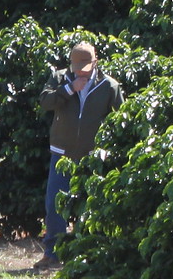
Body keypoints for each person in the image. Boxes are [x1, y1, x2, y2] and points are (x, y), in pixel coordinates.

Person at [36, 40, 121, 266]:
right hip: (61, 153)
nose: (81, 73)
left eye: (86, 67)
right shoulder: (60, 78)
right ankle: (52, 254)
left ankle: (89, 253)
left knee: (91, 204)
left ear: (96, 62)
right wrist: (68, 89)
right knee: (55, 204)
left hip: (92, 157)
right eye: (77, 69)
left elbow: (121, 119)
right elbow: (45, 101)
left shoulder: (109, 86)